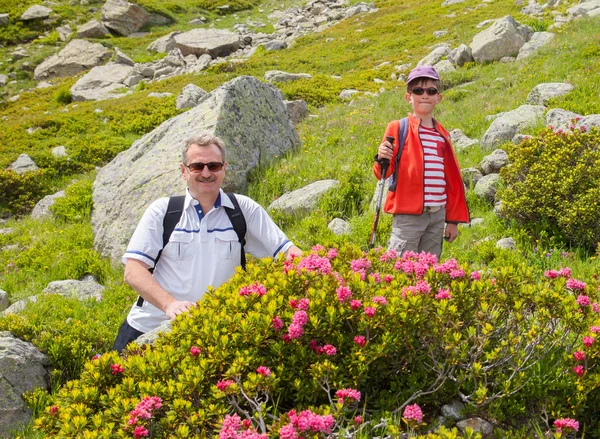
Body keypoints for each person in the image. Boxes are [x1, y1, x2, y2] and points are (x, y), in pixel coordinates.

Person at [113, 132, 302, 352]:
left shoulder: (243, 209)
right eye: (197, 166)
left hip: (214, 333)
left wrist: (322, 268)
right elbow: (133, 270)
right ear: (184, 171)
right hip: (148, 329)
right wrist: (169, 304)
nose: (206, 173)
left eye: (213, 166)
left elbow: (287, 251)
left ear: (224, 168)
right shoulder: (163, 211)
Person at [373, 65, 469, 259]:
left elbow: (451, 180)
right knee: (401, 268)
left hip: (437, 216)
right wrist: (382, 157)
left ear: (438, 98)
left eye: (431, 91)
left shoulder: (442, 135)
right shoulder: (398, 127)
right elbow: (383, 171)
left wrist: (452, 221)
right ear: (409, 97)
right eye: (418, 90)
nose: (425, 95)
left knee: (429, 270)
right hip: (408, 216)